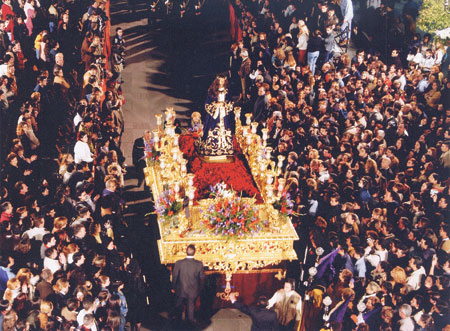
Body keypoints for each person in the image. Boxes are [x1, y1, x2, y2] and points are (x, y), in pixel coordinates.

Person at [171, 244, 205, 325]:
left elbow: (175, 276)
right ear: (194, 252)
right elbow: (202, 277)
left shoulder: (179, 263)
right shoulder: (199, 264)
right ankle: (190, 322)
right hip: (193, 290)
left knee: (179, 304)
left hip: (181, 288)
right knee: (191, 305)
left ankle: (177, 321)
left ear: (186, 251)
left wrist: (173, 287)